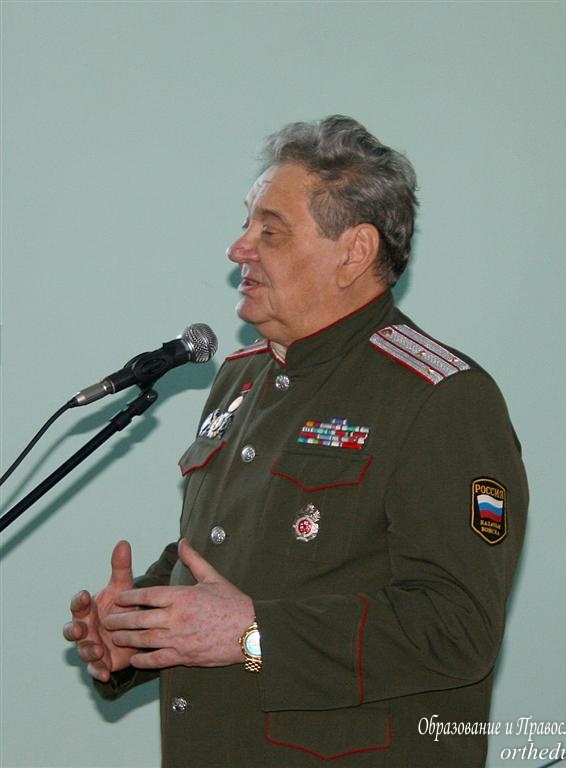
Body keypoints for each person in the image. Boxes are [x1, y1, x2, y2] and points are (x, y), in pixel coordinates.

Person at [64, 115, 528, 767]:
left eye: (270, 231)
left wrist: (254, 637)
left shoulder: (440, 397)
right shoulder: (240, 378)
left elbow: (457, 630)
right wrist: (134, 633)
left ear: (353, 253)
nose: (238, 249)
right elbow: (227, 559)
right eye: (246, 224)